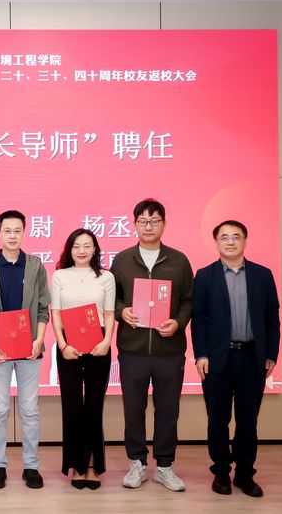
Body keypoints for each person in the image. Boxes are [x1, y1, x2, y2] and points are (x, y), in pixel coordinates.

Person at [109, 198, 193, 492]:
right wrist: (122, 312)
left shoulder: (179, 260)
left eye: (154, 220)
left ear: (164, 224)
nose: (148, 226)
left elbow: (188, 301)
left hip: (169, 350)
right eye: (143, 221)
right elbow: (113, 299)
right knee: (133, 409)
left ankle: (165, 466)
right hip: (132, 349)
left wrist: (178, 323)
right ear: (134, 225)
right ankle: (137, 463)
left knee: (168, 410)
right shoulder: (122, 260)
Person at [192, 220, 280, 498]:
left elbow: (272, 318)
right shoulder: (204, 276)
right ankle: (220, 473)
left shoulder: (262, 275)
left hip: (252, 358)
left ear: (244, 241)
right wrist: (201, 354)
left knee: (247, 421)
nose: (230, 242)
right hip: (217, 359)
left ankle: (244, 473)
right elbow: (198, 320)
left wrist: (271, 354)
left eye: (236, 236)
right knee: (217, 420)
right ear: (216, 242)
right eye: (225, 237)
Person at [0, 210, 49, 490]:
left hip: (30, 349)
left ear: (24, 232)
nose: (13, 236)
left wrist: (39, 339)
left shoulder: (36, 266)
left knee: (30, 409)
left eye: (17, 230)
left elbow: (43, 308)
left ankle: (31, 466)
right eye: (7, 230)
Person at [50, 228, 115, 490]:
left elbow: (109, 313)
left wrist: (106, 342)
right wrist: (63, 345)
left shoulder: (106, 277)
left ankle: (92, 466)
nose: (82, 250)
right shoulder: (59, 276)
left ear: (95, 249)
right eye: (77, 246)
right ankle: (76, 466)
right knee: (73, 408)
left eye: (87, 246)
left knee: (94, 408)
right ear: (70, 249)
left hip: (99, 343)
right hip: (69, 344)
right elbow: (55, 313)